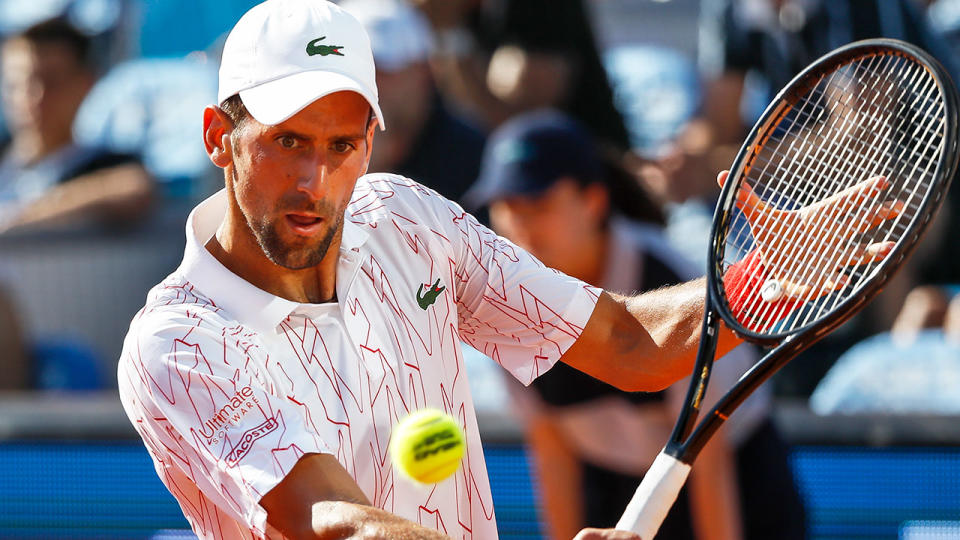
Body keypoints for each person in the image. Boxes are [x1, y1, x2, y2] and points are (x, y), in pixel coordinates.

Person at [115, 1, 896, 538]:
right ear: (220, 135)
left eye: (341, 144)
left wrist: (758, 279)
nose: (316, 181)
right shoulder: (177, 343)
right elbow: (330, 524)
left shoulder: (407, 222)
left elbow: (628, 344)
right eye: (287, 141)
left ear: (371, 146)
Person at [467, 110, 804, 540]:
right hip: (613, 485)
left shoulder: (667, 276)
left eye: (538, 203)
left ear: (593, 201)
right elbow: (551, 446)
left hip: (738, 482)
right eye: (506, 208)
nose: (520, 226)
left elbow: (709, 459)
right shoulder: (503, 304)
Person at [0, 18, 154, 233]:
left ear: (86, 85)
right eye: (17, 84)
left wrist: (16, 220)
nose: (34, 97)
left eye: (51, 81)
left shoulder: (105, 164)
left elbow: (133, 187)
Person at [338, 0, 486, 204]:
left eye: (382, 68)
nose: (369, 83)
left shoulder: (470, 157)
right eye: (353, 70)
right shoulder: (310, 138)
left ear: (424, 72)